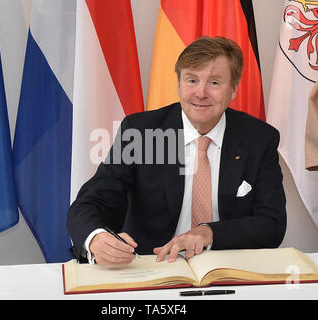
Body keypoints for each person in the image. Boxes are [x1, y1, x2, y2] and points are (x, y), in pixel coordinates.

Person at [67, 36, 286, 265]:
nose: (200, 93)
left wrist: (209, 233)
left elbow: (272, 224)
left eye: (214, 83)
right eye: (191, 80)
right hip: (152, 266)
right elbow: (90, 203)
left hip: (227, 267)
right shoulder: (141, 132)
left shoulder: (259, 139)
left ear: (233, 89)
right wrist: (96, 239)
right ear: (179, 84)